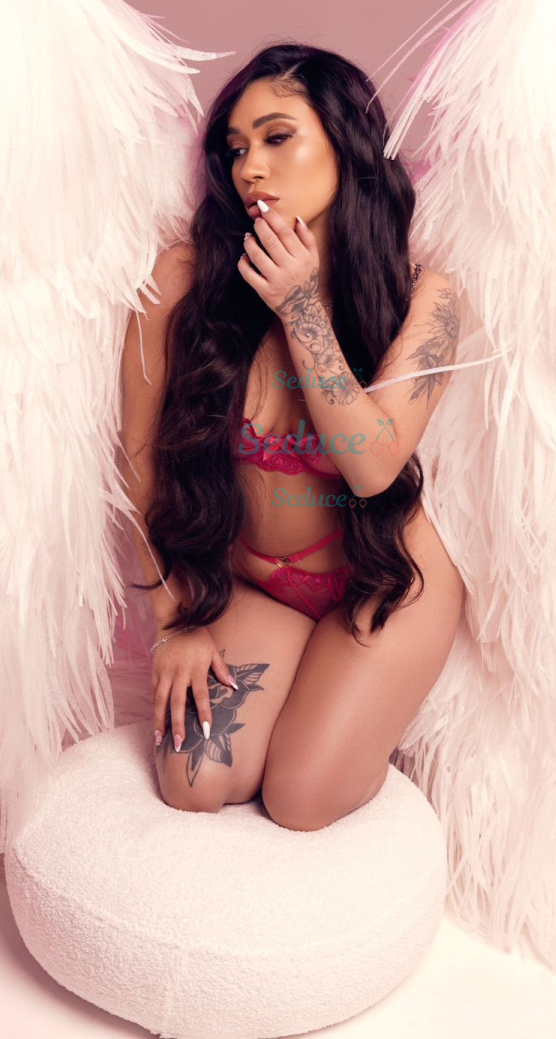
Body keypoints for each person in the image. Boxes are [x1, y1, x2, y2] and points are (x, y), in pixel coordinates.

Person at [118, 43, 466, 827]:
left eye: (277, 138)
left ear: (345, 145)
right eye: (235, 149)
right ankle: (312, 684)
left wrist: (300, 306)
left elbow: (372, 467)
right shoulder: (181, 282)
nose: (250, 168)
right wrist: (176, 622)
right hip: (256, 585)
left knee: (300, 801)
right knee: (195, 782)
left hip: (383, 583)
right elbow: (137, 465)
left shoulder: (429, 302)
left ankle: (346, 706)